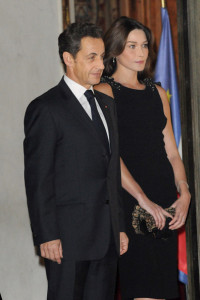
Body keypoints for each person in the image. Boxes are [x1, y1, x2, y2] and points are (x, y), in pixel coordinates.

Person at [23, 22, 128, 300]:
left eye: (102, 56)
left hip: (105, 238)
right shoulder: (46, 108)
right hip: (67, 240)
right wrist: (46, 235)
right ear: (69, 59)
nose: (101, 65)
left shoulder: (107, 105)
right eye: (91, 57)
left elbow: (111, 172)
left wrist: (118, 227)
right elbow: (38, 179)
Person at [95, 16, 191, 300]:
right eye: (132, 46)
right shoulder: (104, 92)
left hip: (164, 198)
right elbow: (111, 156)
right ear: (115, 50)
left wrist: (184, 191)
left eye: (145, 46)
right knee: (144, 288)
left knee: (164, 289)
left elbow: (172, 152)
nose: (140, 53)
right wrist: (142, 199)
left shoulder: (157, 92)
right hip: (131, 202)